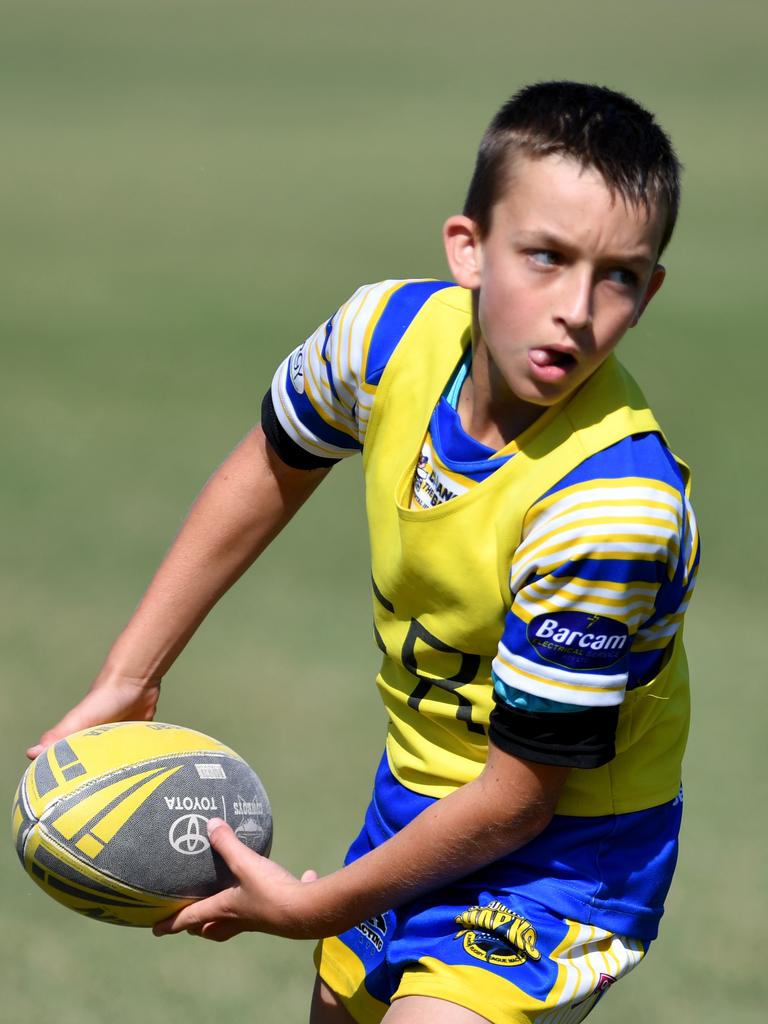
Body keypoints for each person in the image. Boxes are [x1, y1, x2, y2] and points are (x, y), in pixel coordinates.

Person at [28, 81, 699, 1023]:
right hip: (418, 806)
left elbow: (521, 796)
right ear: (468, 248)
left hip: (566, 855)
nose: (577, 310)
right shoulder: (383, 338)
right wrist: (129, 675)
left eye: (619, 275)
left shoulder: (612, 509)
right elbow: (272, 465)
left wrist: (312, 907)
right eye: (544, 258)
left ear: (652, 288)